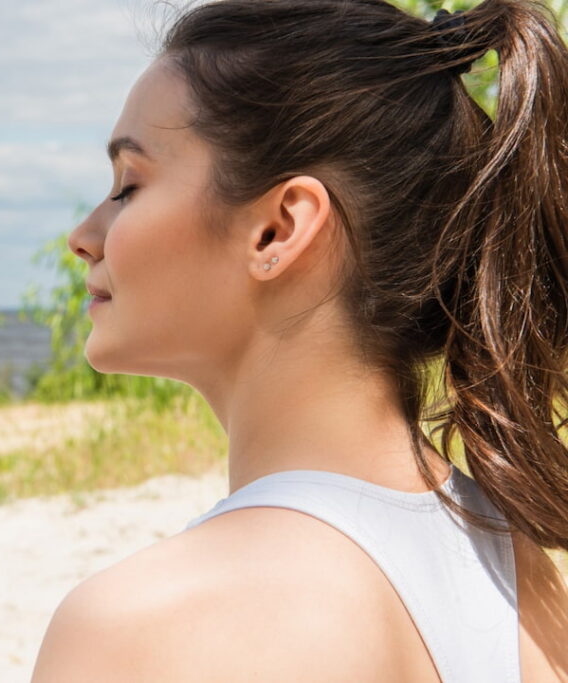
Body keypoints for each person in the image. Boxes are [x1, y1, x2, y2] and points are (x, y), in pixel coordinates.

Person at [30, 0, 568, 680]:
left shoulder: (139, 623)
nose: (83, 235)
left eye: (128, 186)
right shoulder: (517, 569)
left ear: (279, 229)